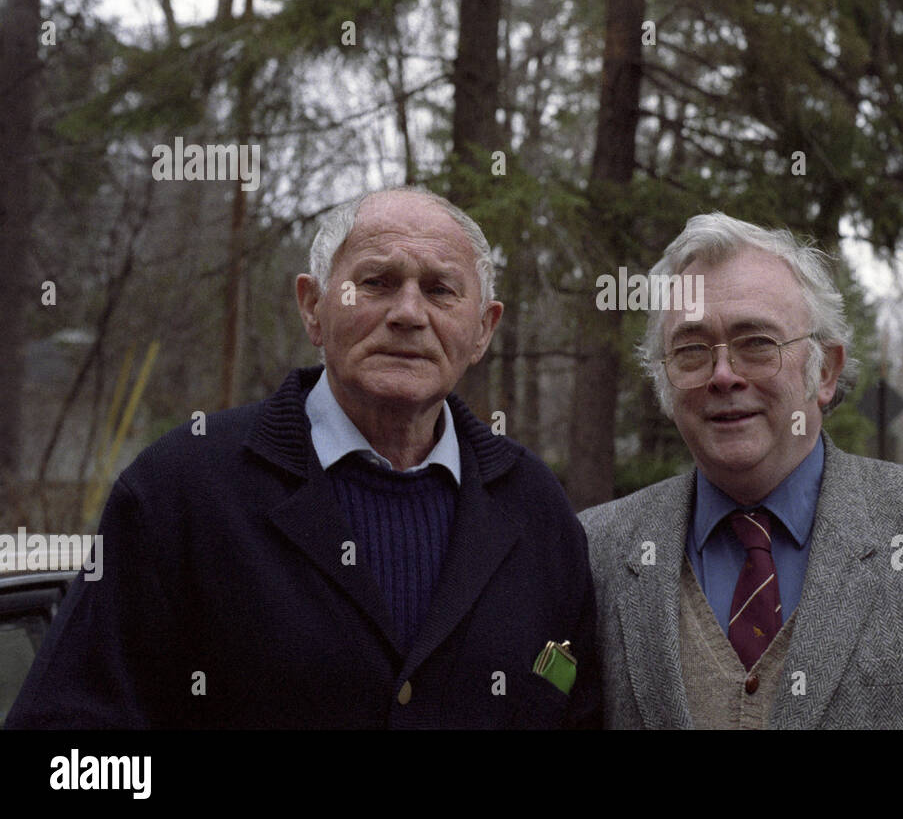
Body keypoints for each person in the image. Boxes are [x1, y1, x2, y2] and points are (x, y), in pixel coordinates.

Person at [7, 187, 599, 728]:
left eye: (440, 290)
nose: (409, 313)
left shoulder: (537, 511)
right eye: (376, 282)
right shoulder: (181, 489)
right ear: (312, 307)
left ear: (483, 330)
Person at [578, 212, 903, 728]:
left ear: (826, 371)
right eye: (691, 350)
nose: (723, 375)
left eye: (757, 343)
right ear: (663, 379)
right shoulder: (597, 550)